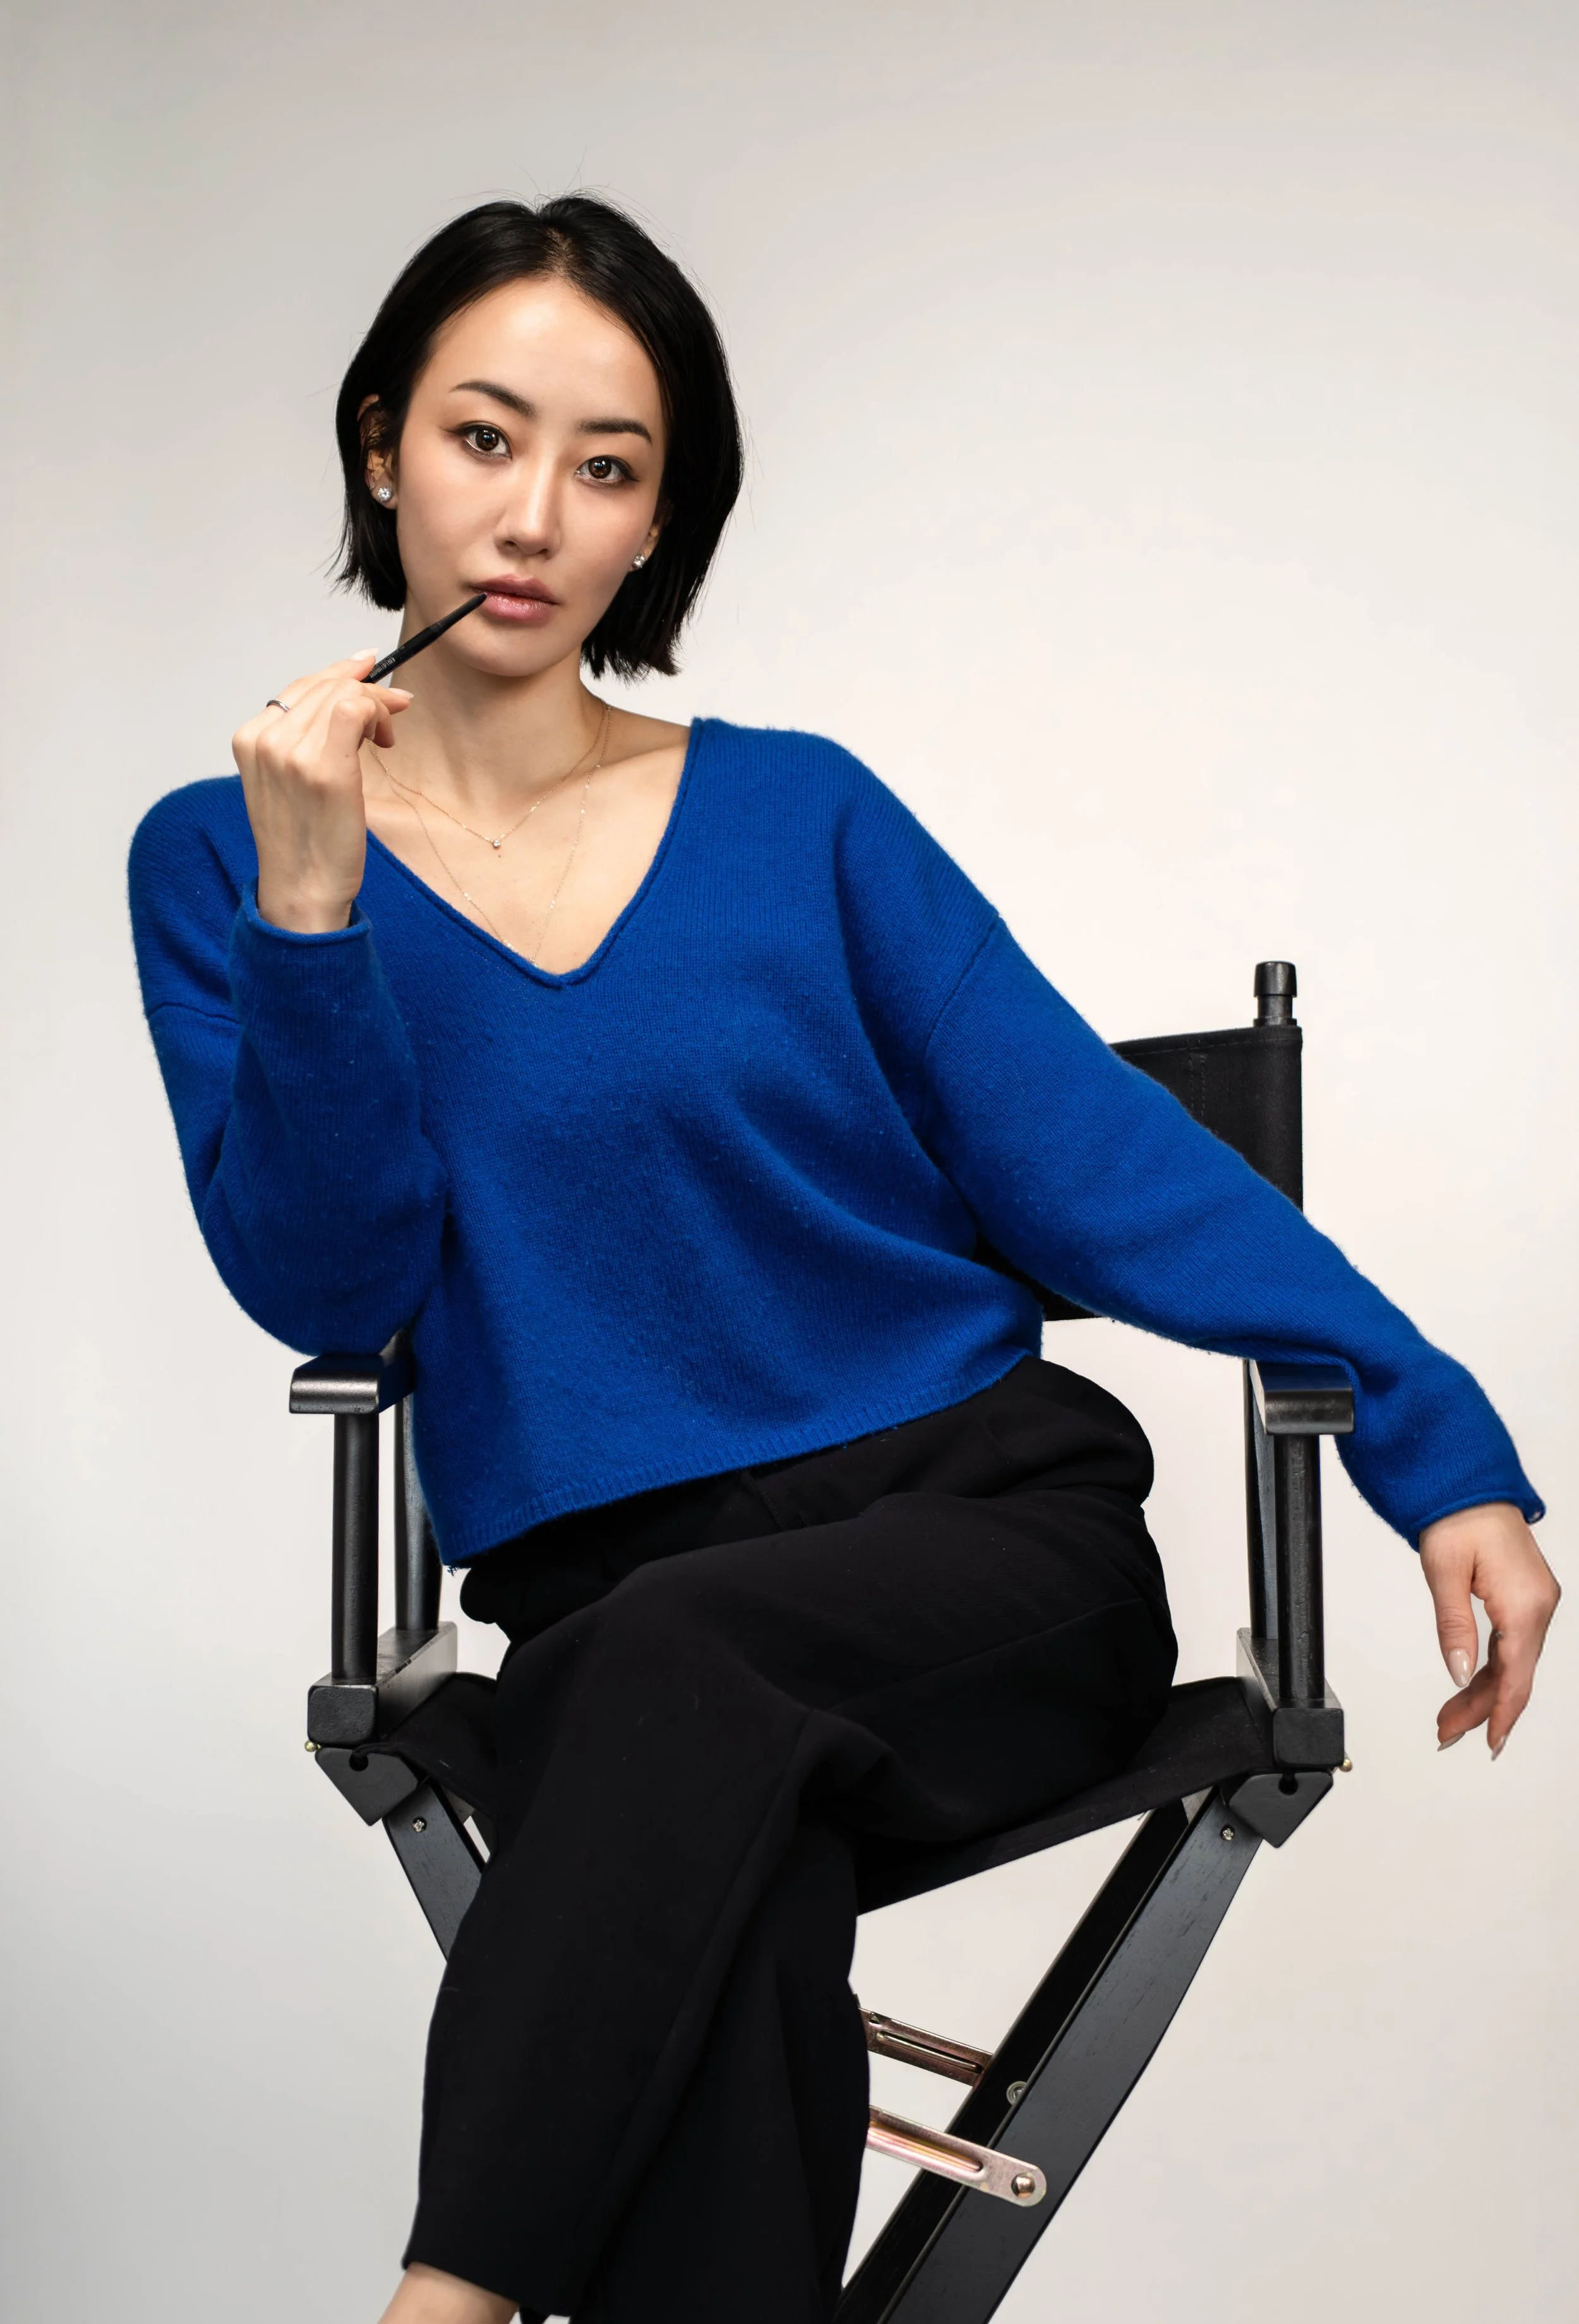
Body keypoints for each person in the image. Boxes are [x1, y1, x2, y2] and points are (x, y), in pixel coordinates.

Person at [127, 196, 1558, 2324]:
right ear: (378, 449)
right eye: (482, 437)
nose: (529, 517)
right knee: (717, 1847)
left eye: (605, 469)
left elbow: (1094, 1160)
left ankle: (434, 2306)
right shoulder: (222, 858)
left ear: (654, 529)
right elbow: (333, 1286)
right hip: (632, 1634)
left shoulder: (799, 815)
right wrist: (313, 914)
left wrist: (1439, 1442)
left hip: (984, 1544)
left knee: (660, 1703)